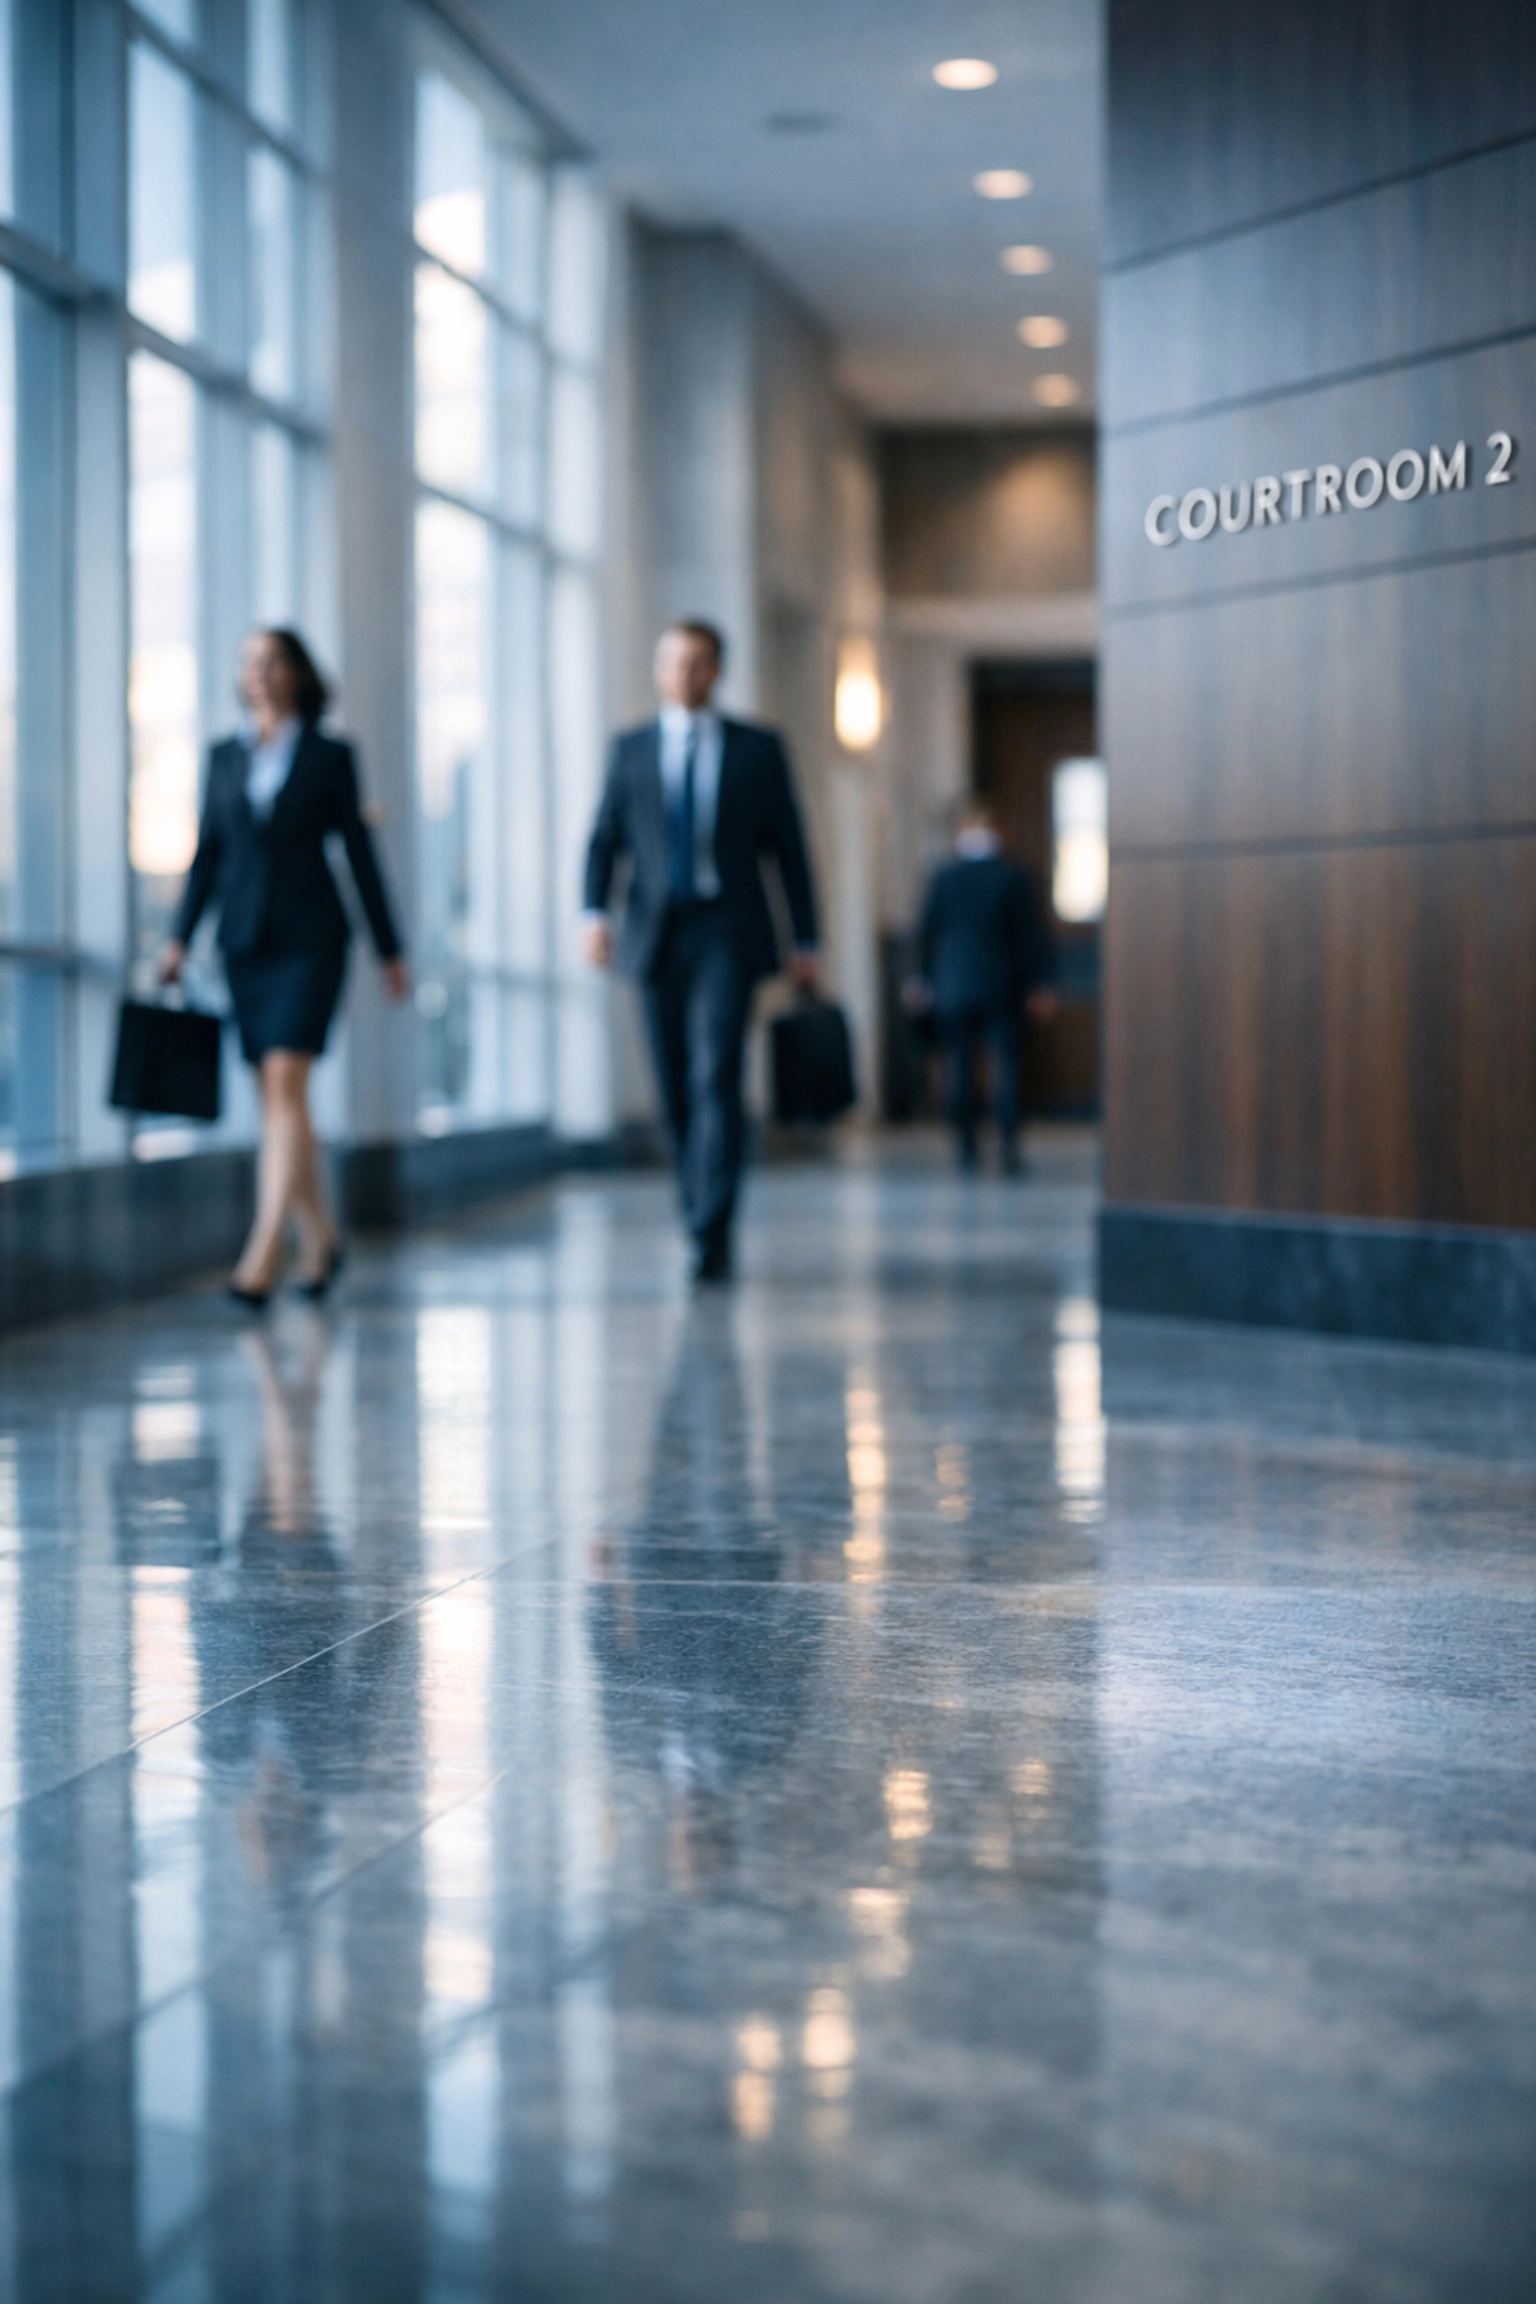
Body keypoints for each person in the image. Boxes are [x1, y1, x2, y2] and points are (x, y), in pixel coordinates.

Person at [159, 628, 408, 1306]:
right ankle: (320, 1237)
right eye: (250, 662)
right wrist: (177, 938)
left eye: (272, 662)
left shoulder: (330, 756)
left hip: (311, 939)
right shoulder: (224, 756)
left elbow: (358, 852)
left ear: (297, 673)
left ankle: (261, 1255)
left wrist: (390, 949)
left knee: (284, 1080)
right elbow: (208, 853)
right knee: (278, 1100)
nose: (260, 673)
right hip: (244, 943)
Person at [581, 619, 820, 1281]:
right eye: (673, 661)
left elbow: (790, 848)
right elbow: (604, 839)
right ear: (659, 670)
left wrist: (807, 939)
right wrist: (592, 915)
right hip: (655, 932)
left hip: (727, 930)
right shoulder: (630, 748)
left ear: (717, 671)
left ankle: (712, 1224)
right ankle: (695, 1205)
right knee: (673, 1081)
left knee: (716, 1075)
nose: (684, 674)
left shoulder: (757, 749)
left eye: (696, 662)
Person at [906, 798, 1054, 1174]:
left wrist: (919, 978)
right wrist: (1039, 982)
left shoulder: (944, 876)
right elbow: (1030, 936)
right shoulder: (1012, 876)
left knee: (958, 1066)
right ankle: (1008, 1144)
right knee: (1006, 1066)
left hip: (953, 983)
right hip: (1002, 984)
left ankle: (965, 1147)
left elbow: (925, 933)